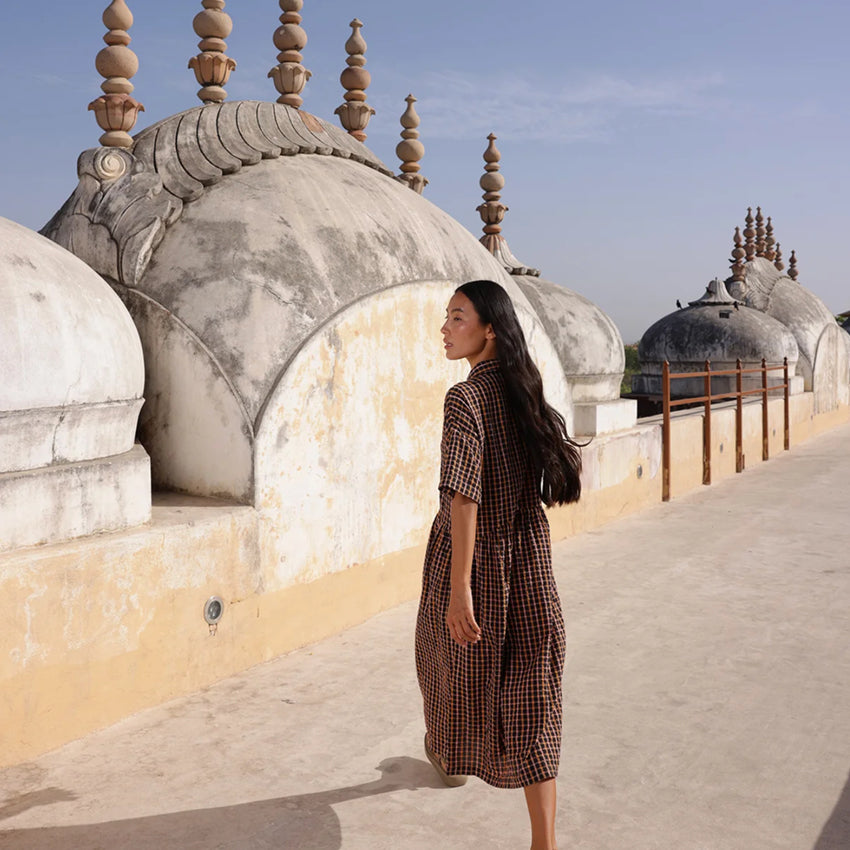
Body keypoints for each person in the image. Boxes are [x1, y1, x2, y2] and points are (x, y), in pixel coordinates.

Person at [415, 279, 582, 850]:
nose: (445, 328)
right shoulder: (522, 390)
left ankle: (449, 751)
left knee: (447, 665)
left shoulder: (465, 398)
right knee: (534, 686)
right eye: (446, 317)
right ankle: (544, 841)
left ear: (489, 329)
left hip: (475, 556)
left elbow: (465, 496)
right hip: (529, 557)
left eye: (457, 318)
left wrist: (459, 588)